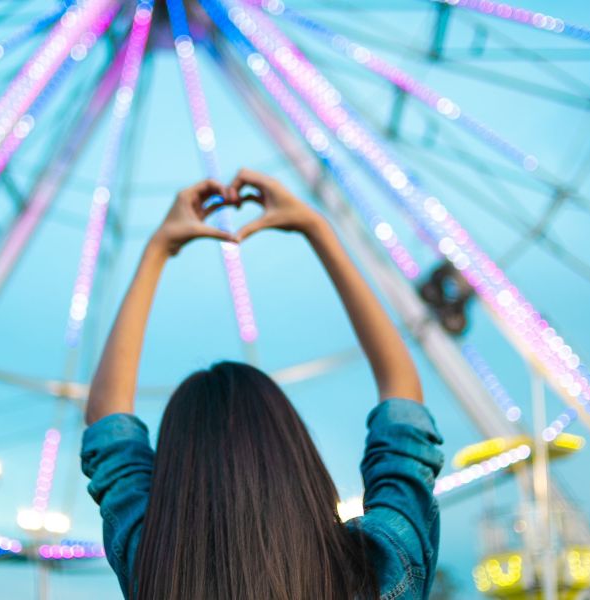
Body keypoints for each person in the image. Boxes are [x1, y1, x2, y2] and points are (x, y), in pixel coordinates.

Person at [81, 169, 444, 599]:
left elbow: (108, 424)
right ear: (297, 457)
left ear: (175, 477)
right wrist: (316, 228)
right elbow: (400, 395)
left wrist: (158, 249)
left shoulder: (157, 568)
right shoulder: (382, 566)